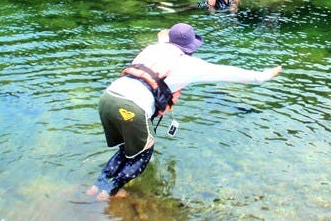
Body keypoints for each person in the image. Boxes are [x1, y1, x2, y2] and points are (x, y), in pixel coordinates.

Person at [86, 23, 282, 201]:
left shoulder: (154, 48)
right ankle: (110, 191)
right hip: (132, 108)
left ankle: (97, 185)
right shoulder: (190, 65)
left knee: (126, 150)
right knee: (143, 153)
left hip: (108, 97)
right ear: (191, 47)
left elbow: (163, 40)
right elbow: (227, 72)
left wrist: (164, 37)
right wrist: (261, 77)